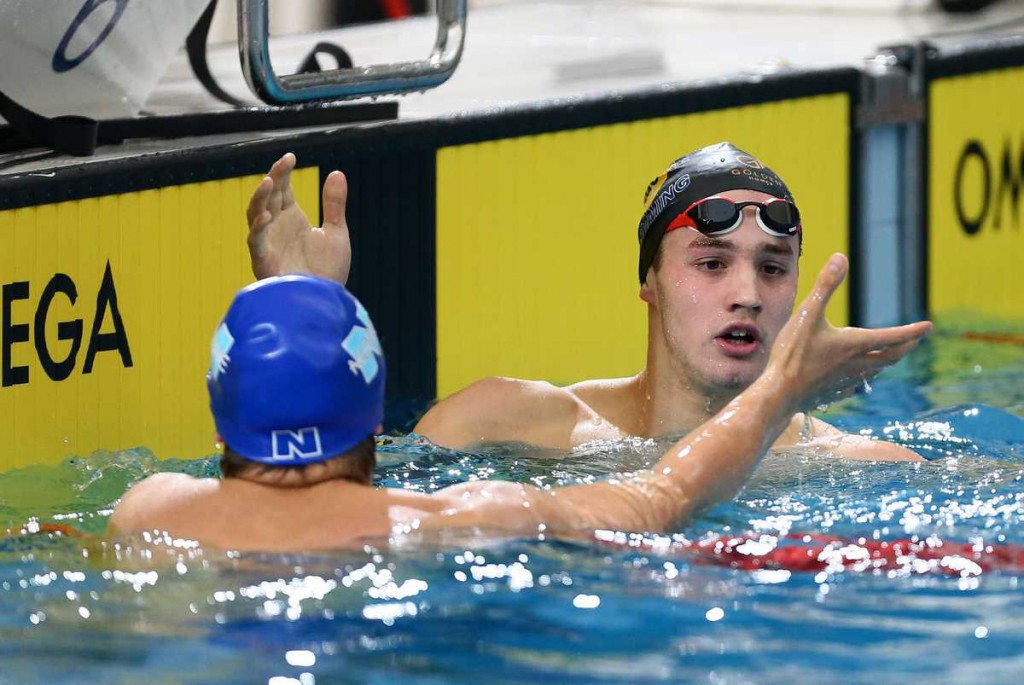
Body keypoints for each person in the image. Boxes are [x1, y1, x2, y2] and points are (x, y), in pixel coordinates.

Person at [107, 258, 931, 551]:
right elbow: (663, 495)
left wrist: (302, 294)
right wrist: (780, 389)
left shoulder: (145, 512)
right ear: (373, 415)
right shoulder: (461, 518)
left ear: (219, 420)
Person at [244, 143, 926, 461]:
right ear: (648, 281)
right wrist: (301, 311)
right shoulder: (511, 421)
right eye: (712, 263)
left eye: (773, 268)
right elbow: (331, 503)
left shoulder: (860, 463)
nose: (746, 295)